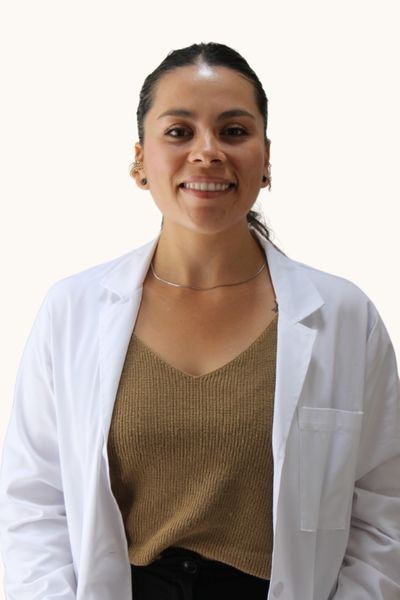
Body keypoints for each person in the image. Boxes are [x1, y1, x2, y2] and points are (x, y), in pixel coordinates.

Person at [0, 41, 399, 600]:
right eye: (178, 132)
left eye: (233, 131)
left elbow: (383, 510)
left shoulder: (345, 317)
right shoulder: (72, 310)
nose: (207, 152)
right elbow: (34, 503)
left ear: (266, 158)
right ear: (140, 160)